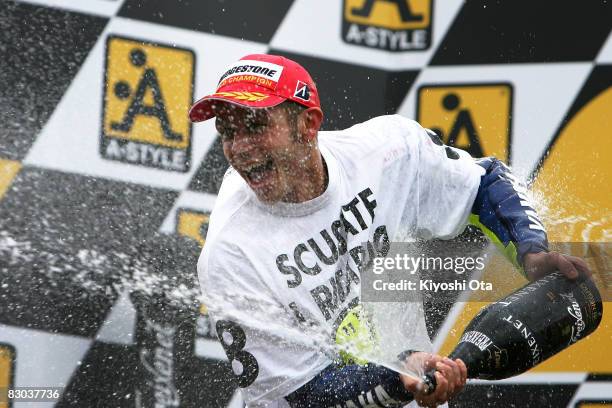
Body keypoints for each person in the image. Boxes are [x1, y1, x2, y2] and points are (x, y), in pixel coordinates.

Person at [189, 54, 591, 408]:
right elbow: (299, 397)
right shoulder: (230, 253)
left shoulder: (385, 154)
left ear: (307, 124)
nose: (239, 147)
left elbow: (483, 183)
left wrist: (530, 250)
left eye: (256, 126)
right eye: (227, 131)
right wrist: (398, 377)